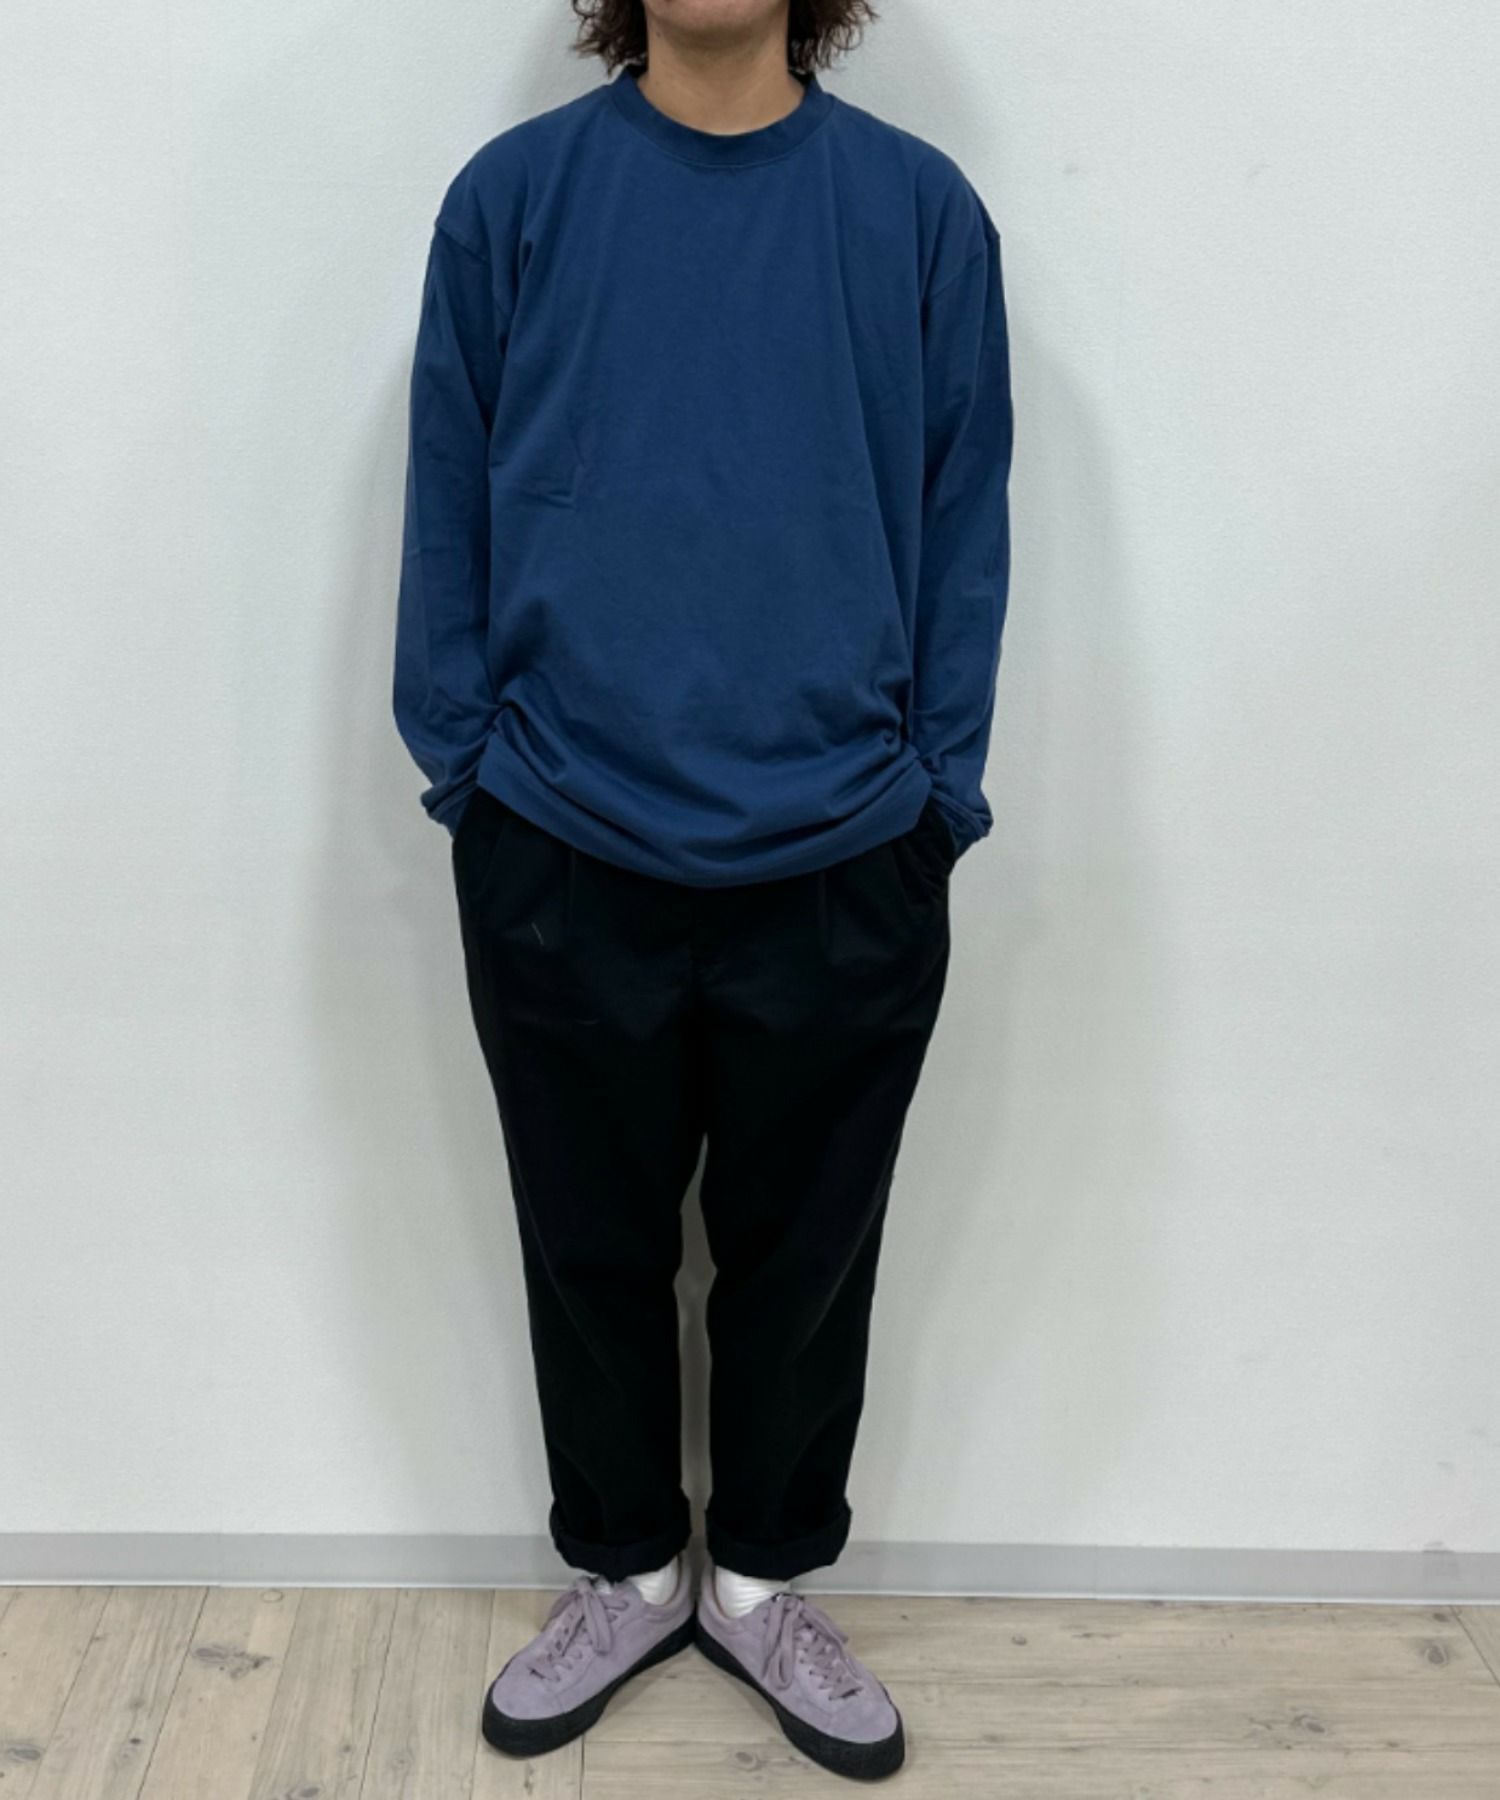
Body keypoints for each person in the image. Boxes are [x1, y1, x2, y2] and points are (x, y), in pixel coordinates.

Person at [393, 0, 1012, 1781]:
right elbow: (448, 491)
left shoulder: (918, 213)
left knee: (806, 1262)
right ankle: (625, 1572)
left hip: (846, 848)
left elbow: (965, 513)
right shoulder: (513, 200)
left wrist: (935, 796)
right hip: (559, 834)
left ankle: (755, 1584)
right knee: (585, 1247)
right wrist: (468, 768)